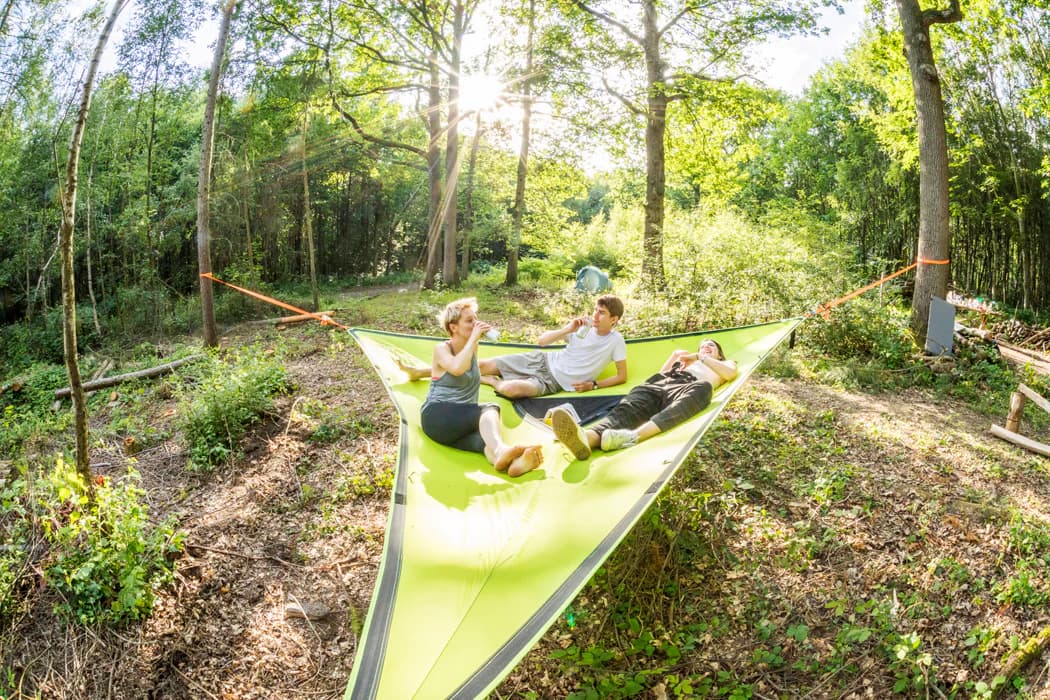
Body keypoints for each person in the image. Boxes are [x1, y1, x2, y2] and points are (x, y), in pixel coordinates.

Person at [550, 338, 738, 460]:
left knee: (704, 388)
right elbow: (661, 375)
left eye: (711, 345)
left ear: (719, 353)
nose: (706, 346)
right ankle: (586, 439)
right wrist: (675, 357)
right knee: (627, 410)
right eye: (702, 345)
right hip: (662, 384)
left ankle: (633, 437)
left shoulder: (723, 363)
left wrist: (699, 356)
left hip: (689, 388)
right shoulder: (688, 361)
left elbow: (730, 374)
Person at [419, 297, 543, 477]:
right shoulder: (441, 349)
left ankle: (513, 465)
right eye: (470, 321)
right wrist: (473, 340)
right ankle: (501, 450)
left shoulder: (473, 348)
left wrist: (494, 381)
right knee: (490, 408)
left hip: (452, 428)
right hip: (437, 416)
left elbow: (471, 376)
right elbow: (456, 368)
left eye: (476, 319)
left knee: (485, 442)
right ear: (453, 327)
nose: (476, 324)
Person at [479, 295, 628, 399]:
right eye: (595, 310)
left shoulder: (616, 340)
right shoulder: (582, 328)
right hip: (541, 360)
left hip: (553, 382)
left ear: (613, 319)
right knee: (480, 366)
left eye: (601, 313)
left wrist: (594, 385)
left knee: (511, 390)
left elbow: (621, 376)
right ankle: (461, 375)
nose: (595, 315)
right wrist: (568, 329)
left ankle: (492, 380)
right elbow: (541, 341)